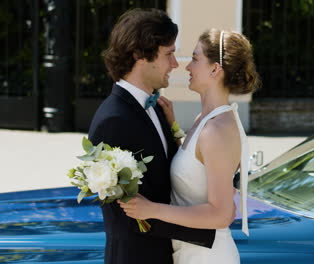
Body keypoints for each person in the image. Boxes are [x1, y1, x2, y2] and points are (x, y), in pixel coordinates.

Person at [119, 29, 260, 263]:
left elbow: (221, 214)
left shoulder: (217, 130)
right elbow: (196, 168)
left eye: (195, 59)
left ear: (215, 69)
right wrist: (174, 129)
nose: (186, 67)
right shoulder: (203, 120)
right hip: (188, 251)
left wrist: (152, 210)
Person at [87, 9, 216, 264]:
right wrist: (211, 228)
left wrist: (176, 131)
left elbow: (171, 175)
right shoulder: (112, 121)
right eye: (168, 54)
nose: (175, 64)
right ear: (139, 54)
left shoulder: (158, 107)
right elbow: (129, 214)